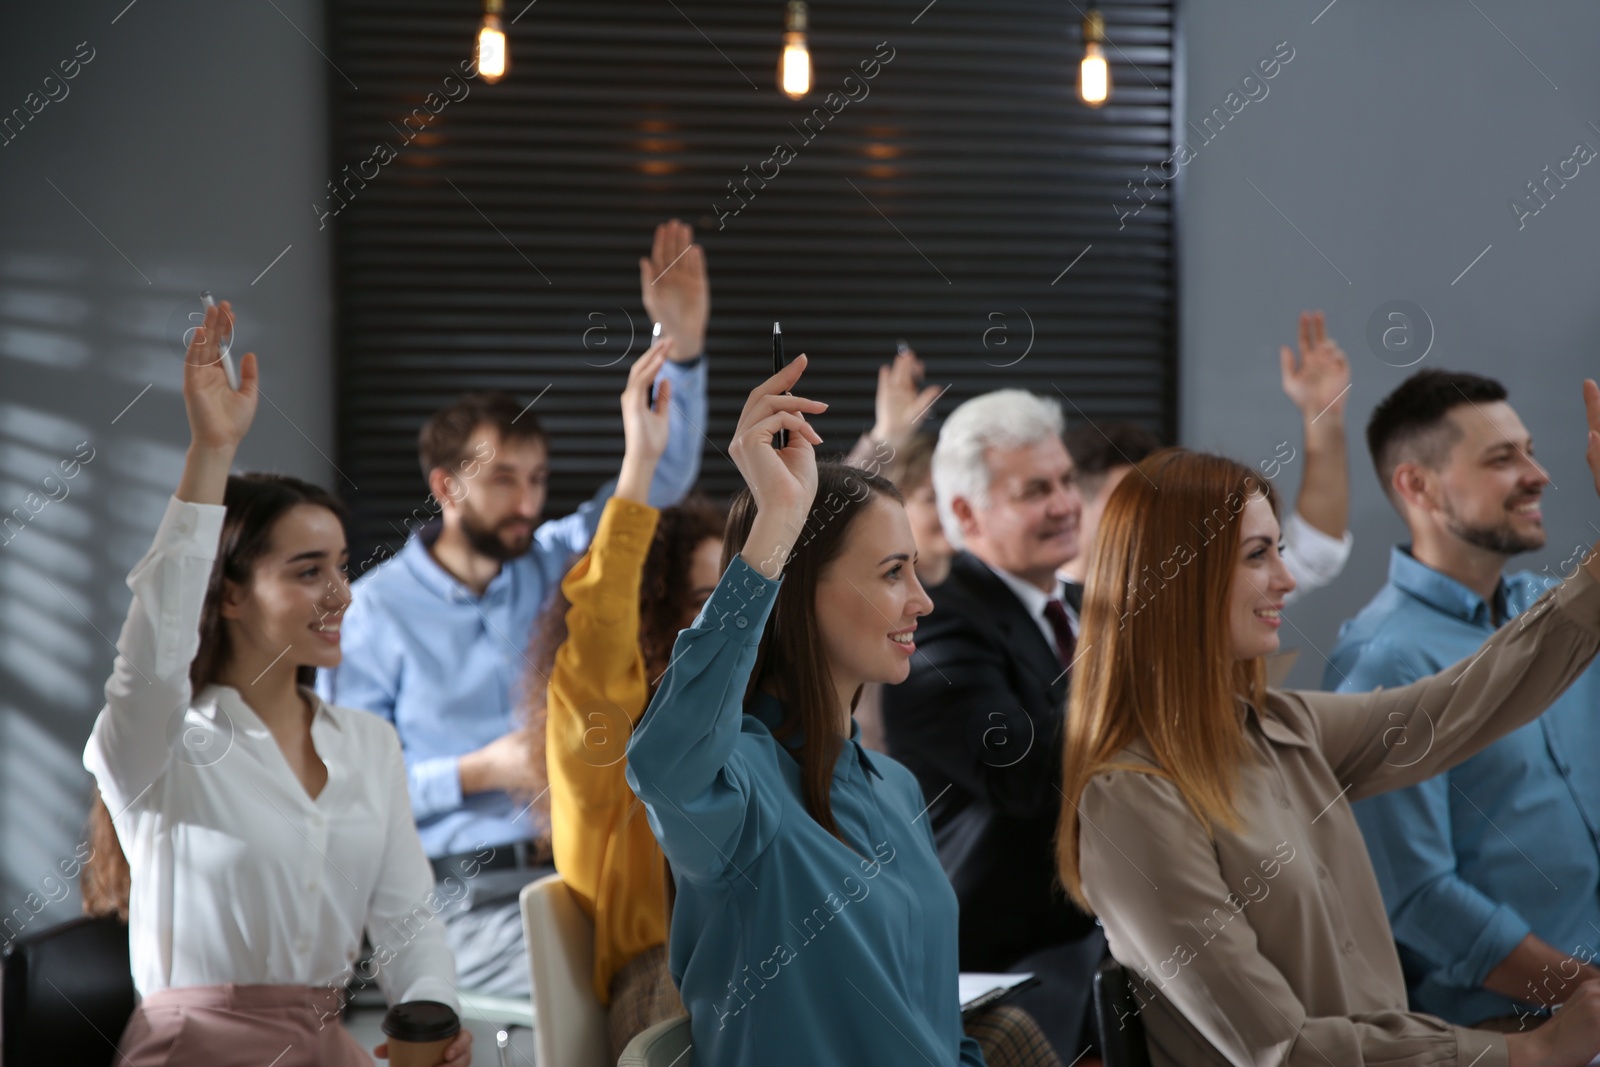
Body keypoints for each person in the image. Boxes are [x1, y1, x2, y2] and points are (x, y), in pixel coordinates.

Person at [1056, 394, 1600, 1067]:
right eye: (1259, 555)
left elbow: (1465, 705)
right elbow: (1283, 1046)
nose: (1286, 578)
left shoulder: (1284, 726)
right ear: (1179, 582)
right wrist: (1529, 1051)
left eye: (1278, 551)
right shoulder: (1131, 799)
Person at [624, 355, 1063, 1067]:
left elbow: (936, 1033)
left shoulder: (893, 786)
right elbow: (661, 759)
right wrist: (775, 529)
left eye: (917, 569)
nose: (923, 600)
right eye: (893, 572)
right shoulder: (738, 791)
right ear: (802, 590)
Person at [317, 220, 710, 995]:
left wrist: (684, 347)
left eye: (537, 478)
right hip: (449, 898)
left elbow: (654, 487)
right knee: (632, 988)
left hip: (571, 871)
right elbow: (343, 783)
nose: (527, 501)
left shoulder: (558, 560)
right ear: (446, 486)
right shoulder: (373, 611)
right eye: (504, 480)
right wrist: (475, 771)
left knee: (697, 965)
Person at [80, 301, 470, 1066]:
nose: (342, 594)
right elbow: (154, 644)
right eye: (307, 571)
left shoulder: (367, 742)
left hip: (327, 1046)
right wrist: (211, 453)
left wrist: (434, 1017)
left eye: (341, 566)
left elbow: (408, 924)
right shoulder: (160, 740)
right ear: (225, 594)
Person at [1329, 369, 1600, 1029]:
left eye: (1530, 450)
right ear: (1417, 485)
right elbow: (1420, 898)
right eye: (1502, 459)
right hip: (1512, 1031)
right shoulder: (1382, 659)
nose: (1537, 473)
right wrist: (1584, 994)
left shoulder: (1552, 608)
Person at [881, 388, 1104, 1059]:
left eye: (1067, 480)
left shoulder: (1091, 609)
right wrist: (1140, 671)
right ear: (963, 513)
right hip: (1006, 968)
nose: (1066, 504)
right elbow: (1025, 771)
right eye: (1035, 489)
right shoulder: (933, 622)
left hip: (1107, 939)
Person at [521, 340, 725, 1058]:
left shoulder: (748, 711)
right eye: (701, 598)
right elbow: (605, 610)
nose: (724, 616)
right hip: (664, 975)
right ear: (655, 611)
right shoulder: (606, 720)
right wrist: (640, 465)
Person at [1058, 309, 1354, 618]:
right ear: (1071, 509)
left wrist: (1323, 417)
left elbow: (1316, 549)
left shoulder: (1189, 590)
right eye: (1129, 504)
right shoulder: (1042, 621)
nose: (1152, 521)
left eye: (1157, 503)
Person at [845, 345, 953, 753]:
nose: (948, 512)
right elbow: (836, 517)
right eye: (930, 498)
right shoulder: (870, 594)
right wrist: (886, 439)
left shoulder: (974, 586)